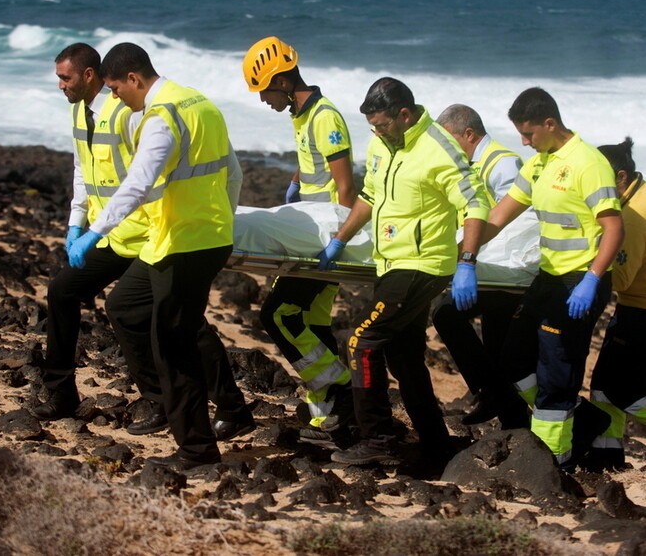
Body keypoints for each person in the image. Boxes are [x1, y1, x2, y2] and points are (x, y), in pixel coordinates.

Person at [69, 42, 253, 470]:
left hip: (187, 244)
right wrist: (224, 222)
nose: (114, 98)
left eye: (116, 88)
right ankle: (180, 404)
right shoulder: (200, 103)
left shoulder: (160, 117)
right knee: (125, 305)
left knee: (173, 345)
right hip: (178, 238)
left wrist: (94, 232)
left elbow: (136, 184)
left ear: (134, 78)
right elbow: (236, 173)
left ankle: (197, 450)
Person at [317, 77, 490, 466]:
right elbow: (370, 196)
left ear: (405, 115)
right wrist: (340, 239)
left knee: (362, 342)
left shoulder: (438, 148)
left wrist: (467, 262)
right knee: (403, 354)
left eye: (382, 124)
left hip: (422, 265)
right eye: (372, 126)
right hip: (390, 263)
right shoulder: (381, 143)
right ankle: (436, 443)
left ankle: (377, 440)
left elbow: (476, 202)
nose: (377, 132)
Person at [484, 87, 624, 470]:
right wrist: (462, 252)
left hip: (580, 282)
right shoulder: (540, 162)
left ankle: (552, 461)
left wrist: (593, 278)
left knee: (556, 374)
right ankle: (586, 418)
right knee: (513, 360)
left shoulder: (588, 162)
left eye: (529, 134)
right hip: (548, 279)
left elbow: (613, 228)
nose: (524, 142)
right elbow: (500, 215)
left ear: (550, 123)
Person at [32, 43, 160, 434]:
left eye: (65, 77)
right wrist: (75, 225)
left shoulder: (126, 112)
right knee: (61, 291)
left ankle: (160, 400)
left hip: (145, 234)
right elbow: (82, 171)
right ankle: (61, 392)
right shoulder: (77, 111)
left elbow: (146, 176)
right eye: (58, 77)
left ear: (89, 76)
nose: (60, 85)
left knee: (161, 317)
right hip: (109, 235)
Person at [242, 36, 357, 446]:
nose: (262, 100)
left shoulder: (325, 117)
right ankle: (331, 422)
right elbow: (313, 164)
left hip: (324, 238)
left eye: (264, 91)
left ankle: (340, 389)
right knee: (312, 323)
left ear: (284, 81)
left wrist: (340, 243)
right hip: (308, 229)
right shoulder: (302, 115)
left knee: (278, 315)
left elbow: (345, 186)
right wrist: (295, 182)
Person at [432, 104, 529, 429]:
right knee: (495, 343)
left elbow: (517, 226)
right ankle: (507, 411)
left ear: (469, 134)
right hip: (484, 266)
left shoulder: (502, 163)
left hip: (504, 271)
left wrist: (467, 261)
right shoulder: (469, 163)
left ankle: (496, 396)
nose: (444, 150)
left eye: (449, 141)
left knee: (447, 314)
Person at [586, 138, 646, 471]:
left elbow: (620, 280)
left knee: (617, 391)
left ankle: (605, 459)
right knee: (606, 390)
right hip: (636, 307)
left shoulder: (633, 216)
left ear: (620, 177)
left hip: (639, 311)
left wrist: (589, 266)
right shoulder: (639, 196)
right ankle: (606, 459)